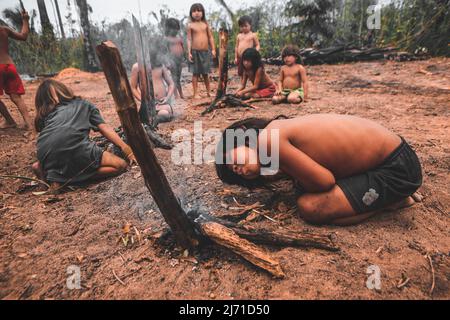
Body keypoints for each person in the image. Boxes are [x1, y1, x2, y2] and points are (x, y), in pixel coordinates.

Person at [215, 114, 423, 226]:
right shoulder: (276, 130)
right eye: (234, 172)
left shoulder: (268, 140)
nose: (237, 169)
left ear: (242, 135)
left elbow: (324, 182)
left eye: (233, 159)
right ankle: (390, 196)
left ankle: (392, 201)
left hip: (396, 170)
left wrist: (299, 184)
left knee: (310, 207)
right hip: (396, 159)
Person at [32, 80, 135, 189]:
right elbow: (104, 128)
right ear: (64, 91)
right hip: (76, 148)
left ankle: (48, 175)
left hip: (44, 153)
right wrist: (126, 149)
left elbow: (52, 138)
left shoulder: (47, 114)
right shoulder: (84, 104)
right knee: (121, 165)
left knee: (59, 157)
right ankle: (69, 181)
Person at [0, 9, 33, 130]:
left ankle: (9, 121)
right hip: (9, 66)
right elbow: (23, 36)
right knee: (16, 97)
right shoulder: (4, 29)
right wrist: (25, 20)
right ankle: (30, 126)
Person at [130, 50, 175, 123]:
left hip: (162, 103)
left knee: (165, 113)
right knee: (160, 114)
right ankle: (149, 118)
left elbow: (171, 84)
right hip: (147, 105)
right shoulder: (137, 67)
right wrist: (143, 101)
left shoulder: (160, 65)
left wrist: (167, 98)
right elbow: (133, 87)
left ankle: (153, 118)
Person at [187, 3, 216, 99]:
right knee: (195, 73)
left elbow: (210, 37)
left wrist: (213, 49)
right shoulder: (190, 25)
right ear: (191, 13)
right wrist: (189, 52)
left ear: (203, 12)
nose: (197, 13)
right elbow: (189, 39)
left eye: (199, 11)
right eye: (194, 11)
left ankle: (208, 92)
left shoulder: (205, 25)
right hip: (195, 52)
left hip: (205, 52)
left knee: (205, 73)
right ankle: (195, 93)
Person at [234, 15, 260, 79]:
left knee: (251, 71)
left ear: (250, 25)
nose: (244, 28)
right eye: (242, 26)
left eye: (246, 26)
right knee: (241, 72)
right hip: (240, 57)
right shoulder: (239, 36)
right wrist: (236, 57)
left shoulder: (253, 35)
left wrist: (255, 52)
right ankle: (242, 85)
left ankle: (254, 84)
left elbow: (257, 45)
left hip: (249, 57)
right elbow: (236, 47)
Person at [165, 18, 185, 99]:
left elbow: (182, 48)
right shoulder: (166, 39)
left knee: (178, 78)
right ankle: (176, 95)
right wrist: (167, 62)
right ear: (168, 28)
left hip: (179, 60)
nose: (175, 30)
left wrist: (184, 59)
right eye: (173, 28)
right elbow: (165, 51)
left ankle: (181, 94)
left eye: (176, 28)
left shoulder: (179, 38)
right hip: (172, 60)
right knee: (174, 78)